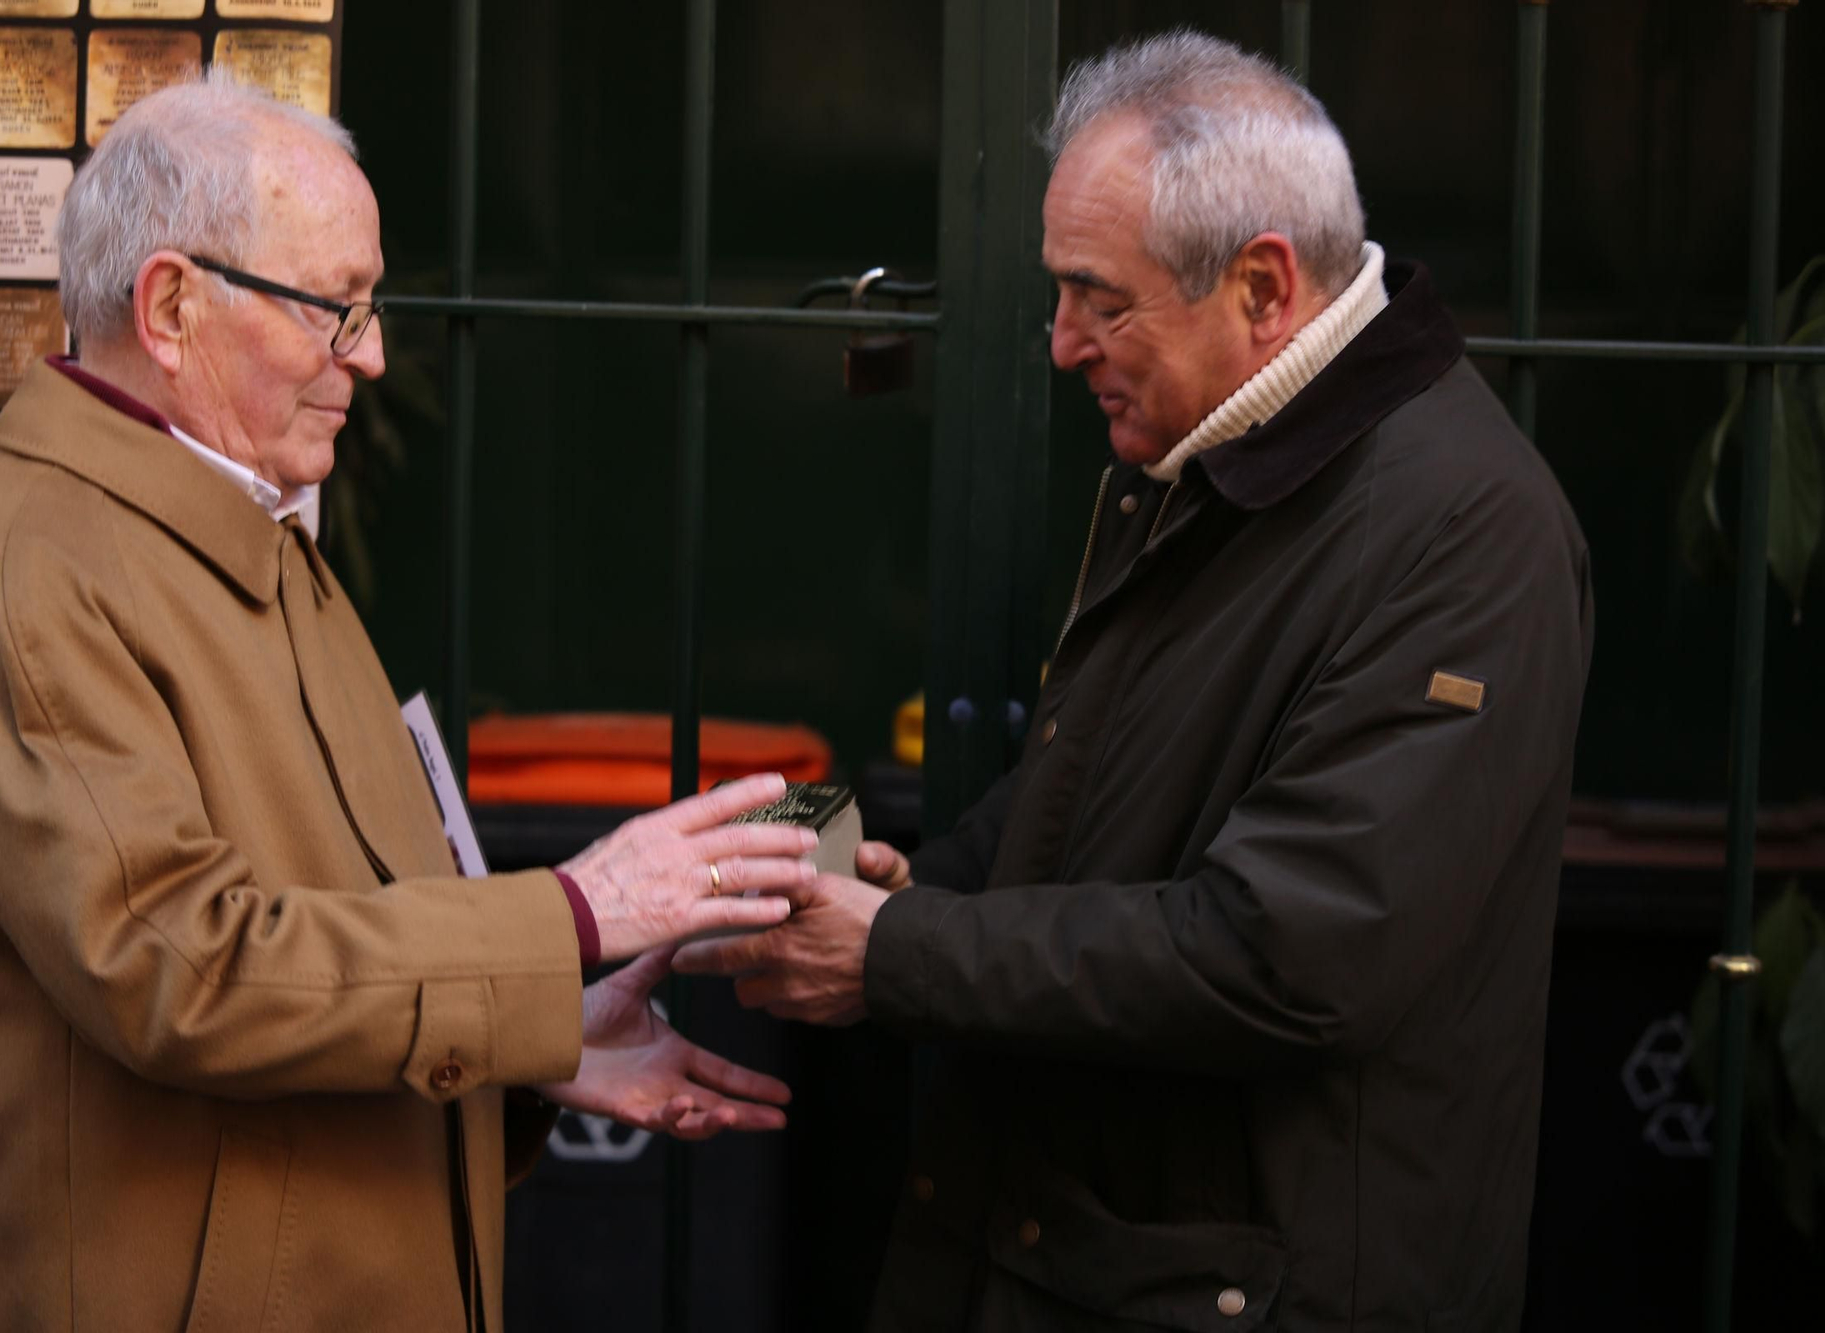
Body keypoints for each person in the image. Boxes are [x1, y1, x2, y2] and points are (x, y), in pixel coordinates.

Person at [678, 30, 1593, 1331]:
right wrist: (915, 883)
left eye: (1101, 300)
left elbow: (1290, 956)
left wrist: (899, 953)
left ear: (1264, 289)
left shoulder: (1468, 531)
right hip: (1112, 1258)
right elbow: (1088, 785)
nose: (1061, 345)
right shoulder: (1214, 457)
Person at [0, 76, 816, 1332]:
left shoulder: (240, 530)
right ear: (171, 307)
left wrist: (542, 1040)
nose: (370, 354)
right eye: (337, 309)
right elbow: (186, 971)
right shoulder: (30, 573)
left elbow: (335, 955)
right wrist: (576, 914)